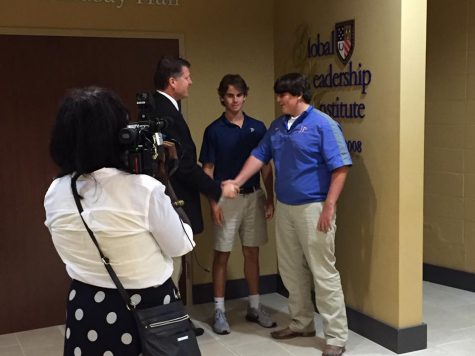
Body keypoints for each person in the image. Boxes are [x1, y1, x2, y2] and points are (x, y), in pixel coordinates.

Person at [44, 87, 196, 356]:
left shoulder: (55, 192)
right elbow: (181, 245)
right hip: (148, 309)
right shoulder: (143, 189)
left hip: (86, 306)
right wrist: (165, 183)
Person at [223, 73, 351, 356]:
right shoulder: (278, 127)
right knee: (291, 270)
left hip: (315, 207)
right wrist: (237, 181)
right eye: (278, 94)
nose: (279, 100)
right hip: (286, 207)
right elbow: (259, 155)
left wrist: (329, 206)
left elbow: (340, 168)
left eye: (283, 95)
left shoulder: (323, 125)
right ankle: (301, 322)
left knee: (323, 272)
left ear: (299, 96)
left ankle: (336, 337)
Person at [199, 74, 276, 334]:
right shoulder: (214, 130)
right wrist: (213, 204)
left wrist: (270, 197)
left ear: (245, 96)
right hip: (226, 199)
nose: (235, 100)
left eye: (239, 95)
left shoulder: (258, 127)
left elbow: (266, 166)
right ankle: (219, 311)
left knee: (252, 252)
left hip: (254, 196)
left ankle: (254, 306)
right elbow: (207, 170)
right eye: (230, 95)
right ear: (222, 97)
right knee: (222, 253)